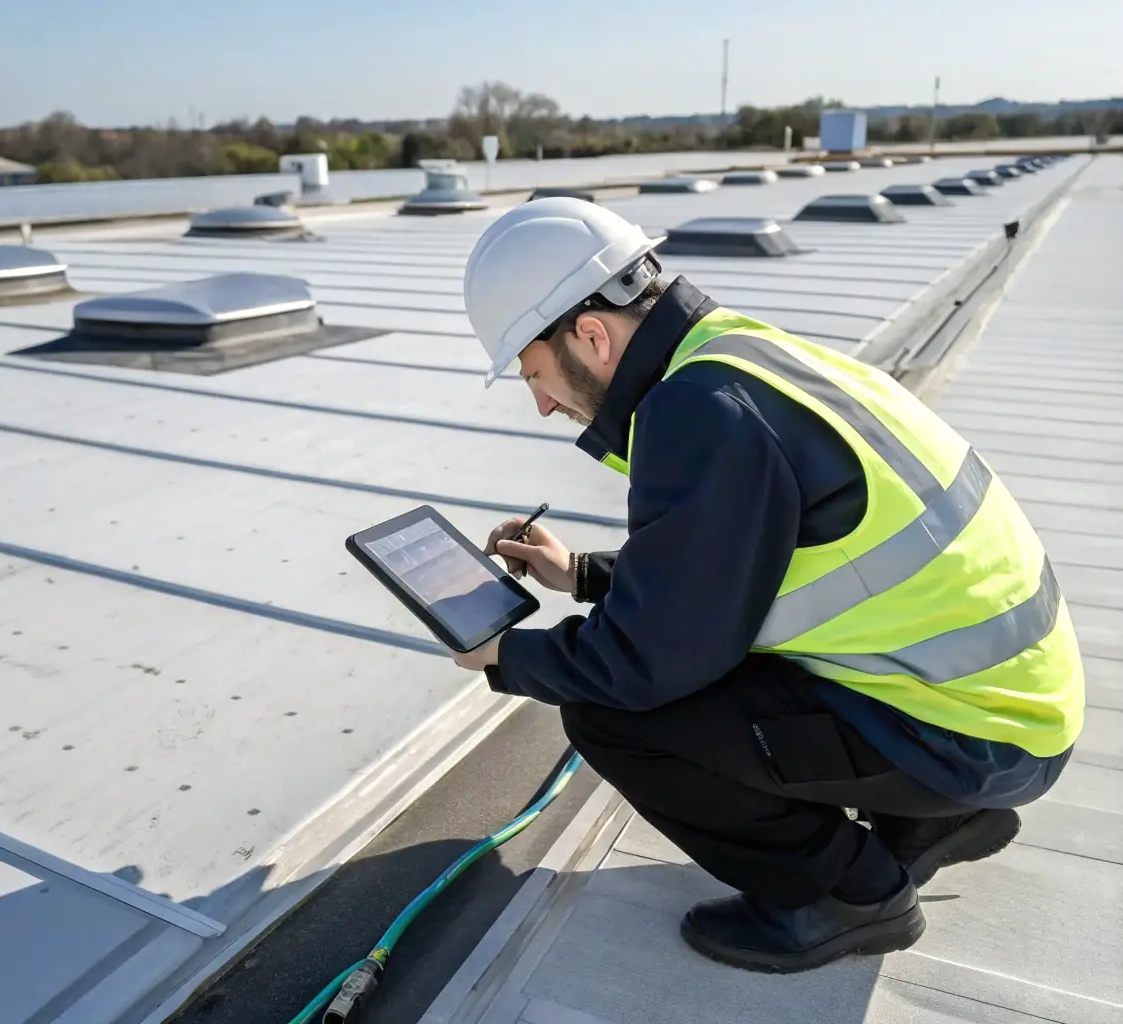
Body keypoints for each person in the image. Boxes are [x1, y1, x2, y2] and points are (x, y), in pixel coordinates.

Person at [451, 197, 1084, 973]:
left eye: (535, 374)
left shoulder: (699, 412)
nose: (543, 403)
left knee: (606, 711)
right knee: (705, 669)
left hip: (969, 737)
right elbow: (752, 572)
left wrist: (504, 657)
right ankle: (927, 824)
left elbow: (649, 660)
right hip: (1006, 712)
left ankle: (847, 896)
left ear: (590, 334)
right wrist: (581, 574)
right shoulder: (736, 358)